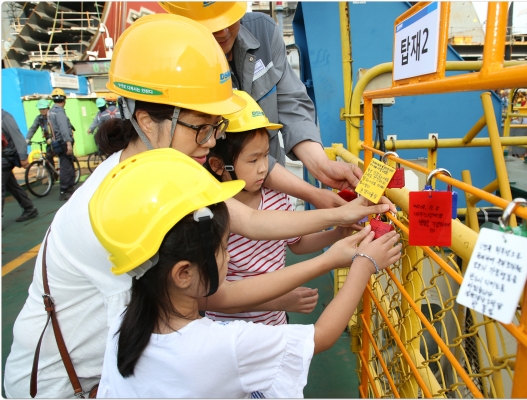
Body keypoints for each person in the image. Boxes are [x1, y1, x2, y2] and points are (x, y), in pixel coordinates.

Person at [3, 14, 395, 399]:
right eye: (202, 129)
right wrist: (338, 251)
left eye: (217, 129)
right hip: (65, 385)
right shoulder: (125, 199)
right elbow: (213, 294)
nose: (211, 144)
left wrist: (341, 210)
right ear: (148, 121)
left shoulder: (158, 173)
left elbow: (253, 222)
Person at [90, 149, 401, 398]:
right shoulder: (224, 346)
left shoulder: (124, 323)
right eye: (224, 249)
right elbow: (320, 337)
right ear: (183, 274)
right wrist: (363, 264)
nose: (230, 257)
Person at [159, 2, 363, 197]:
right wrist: (313, 194)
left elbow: (292, 104)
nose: (222, 32)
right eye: (211, 26)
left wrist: (322, 165)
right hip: (212, 194)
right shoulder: (169, 62)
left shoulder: (263, 33)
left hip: (272, 191)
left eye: (228, 19)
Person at [206, 91, 353, 325]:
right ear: (218, 165)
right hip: (228, 328)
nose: (264, 168)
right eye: (253, 160)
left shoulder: (277, 198)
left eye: (266, 156)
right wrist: (279, 301)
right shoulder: (211, 213)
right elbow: (218, 295)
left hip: (274, 323)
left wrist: (337, 233)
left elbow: (297, 243)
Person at [2, 110, 38, 221]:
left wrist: (23, 157)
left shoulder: (4, 117)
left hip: (5, 158)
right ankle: (29, 208)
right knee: (11, 185)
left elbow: (17, 137)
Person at [48, 88, 76, 200]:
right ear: (64, 99)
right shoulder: (59, 112)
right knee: (66, 166)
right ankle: (65, 189)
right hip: (63, 142)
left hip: (57, 142)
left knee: (67, 164)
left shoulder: (51, 112)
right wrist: (68, 143)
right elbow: (64, 129)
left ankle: (69, 187)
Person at [26, 99, 56, 173]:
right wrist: (27, 139)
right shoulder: (39, 118)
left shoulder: (53, 116)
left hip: (58, 139)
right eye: (40, 109)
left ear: (48, 108)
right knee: (48, 157)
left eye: (44, 109)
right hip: (48, 141)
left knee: (63, 157)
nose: (42, 111)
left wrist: (54, 138)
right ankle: (52, 176)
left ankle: (66, 175)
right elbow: (33, 128)